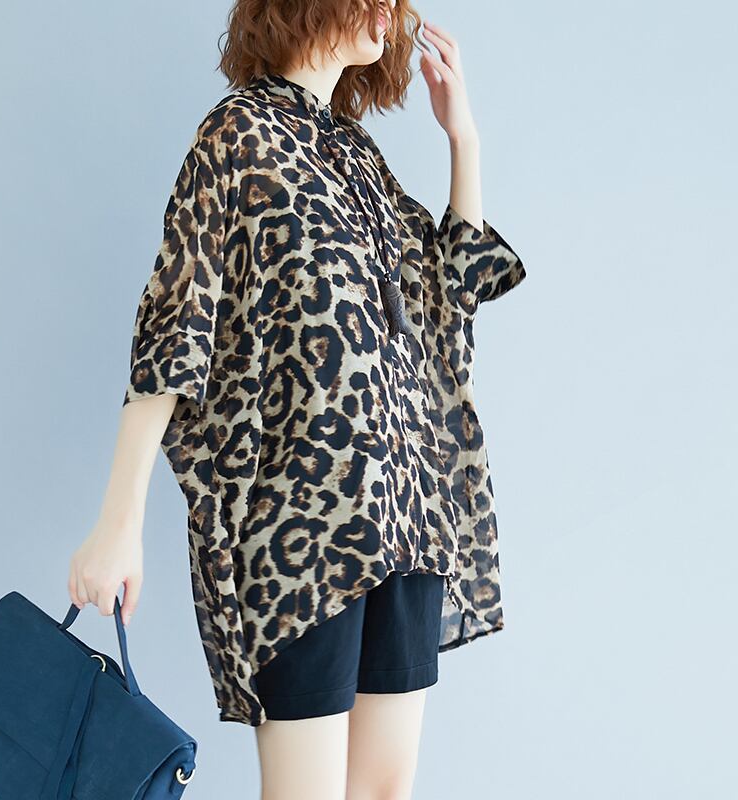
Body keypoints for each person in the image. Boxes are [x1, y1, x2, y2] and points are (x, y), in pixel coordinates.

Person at [68, 0, 526, 797]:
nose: (389, 14)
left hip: (406, 516)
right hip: (301, 530)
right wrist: (119, 524)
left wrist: (465, 140)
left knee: (384, 789)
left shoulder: (358, 155)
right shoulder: (236, 136)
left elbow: (447, 295)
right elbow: (175, 328)